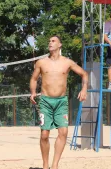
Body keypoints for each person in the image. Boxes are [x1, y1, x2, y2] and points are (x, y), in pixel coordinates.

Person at [29, 35, 88, 169]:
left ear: (60, 45)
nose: (50, 43)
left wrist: (84, 89)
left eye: (53, 41)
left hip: (61, 102)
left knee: (63, 133)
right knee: (44, 134)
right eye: (49, 41)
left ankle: (54, 165)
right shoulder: (41, 62)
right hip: (45, 101)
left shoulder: (67, 62)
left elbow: (84, 74)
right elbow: (33, 79)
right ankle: (45, 165)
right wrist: (33, 92)